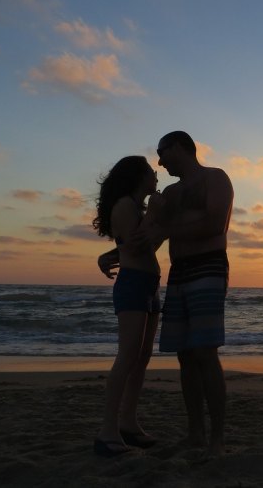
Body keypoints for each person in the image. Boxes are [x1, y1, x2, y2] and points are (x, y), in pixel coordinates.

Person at [99, 131, 233, 458]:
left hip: (208, 266)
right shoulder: (170, 193)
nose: (159, 162)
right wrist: (115, 254)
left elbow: (215, 224)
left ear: (178, 147)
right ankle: (195, 434)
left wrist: (166, 226)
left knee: (204, 351)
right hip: (178, 272)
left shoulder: (215, 179)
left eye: (162, 153)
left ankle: (216, 439)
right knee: (185, 354)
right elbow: (150, 238)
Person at [92, 156, 164, 457]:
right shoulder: (123, 205)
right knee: (128, 355)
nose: (156, 174)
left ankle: (128, 423)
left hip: (149, 283)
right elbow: (137, 246)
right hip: (133, 283)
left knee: (143, 356)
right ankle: (108, 431)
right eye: (151, 171)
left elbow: (140, 243)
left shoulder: (137, 208)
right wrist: (159, 216)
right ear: (138, 176)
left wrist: (110, 253)